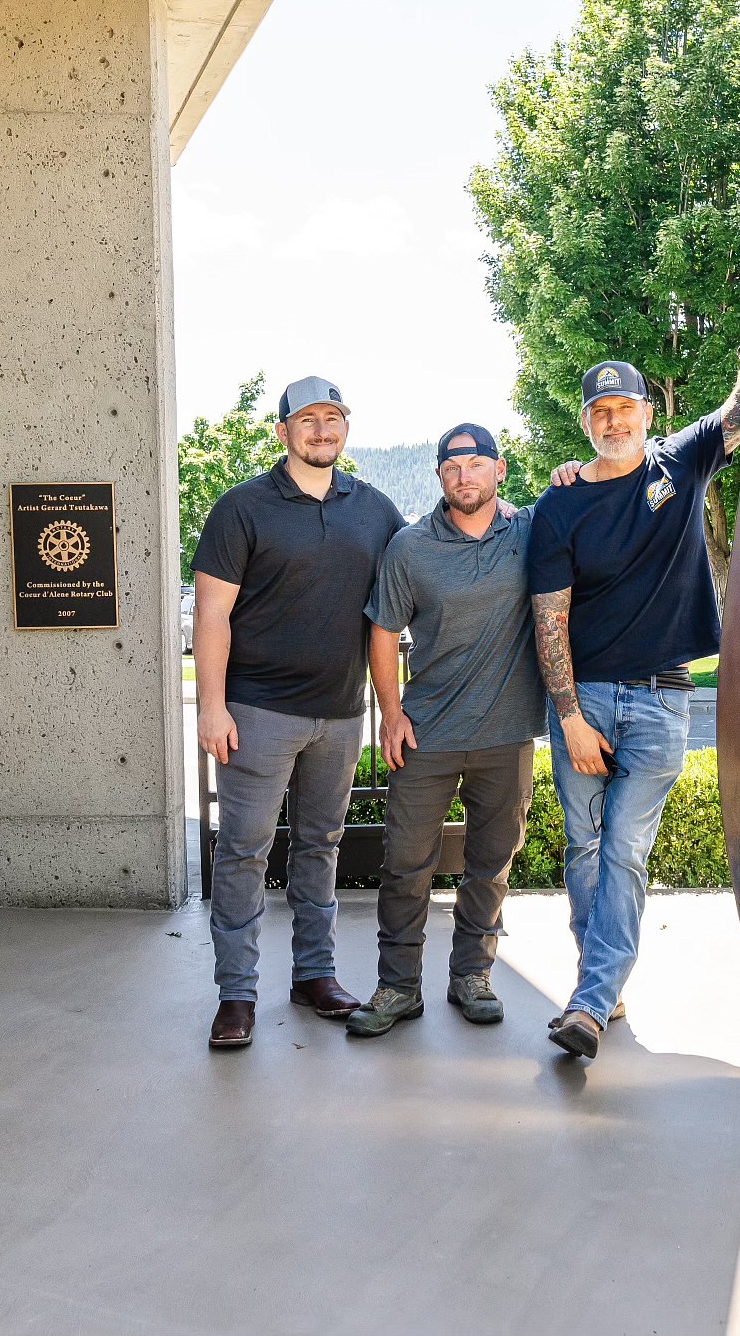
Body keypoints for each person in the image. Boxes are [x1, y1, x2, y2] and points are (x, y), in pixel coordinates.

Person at [528, 341, 740, 1059]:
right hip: (583, 703)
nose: (614, 421)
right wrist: (573, 717)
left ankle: (588, 996)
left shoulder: (680, 463)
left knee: (625, 848)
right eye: (600, 411)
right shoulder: (559, 507)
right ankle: (602, 988)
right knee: (585, 846)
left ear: (648, 412)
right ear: (586, 422)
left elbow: (739, 413)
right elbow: (549, 618)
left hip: (661, 703)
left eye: (625, 408)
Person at [193, 377, 403, 1049]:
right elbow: (212, 615)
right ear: (281, 431)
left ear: (347, 429)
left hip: (341, 715)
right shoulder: (241, 508)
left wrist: (510, 511)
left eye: (333, 418)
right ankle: (237, 993)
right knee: (244, 852)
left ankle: (314, 973)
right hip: (255, 713)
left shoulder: (374, 510)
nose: (321, 430)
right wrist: (211, 706)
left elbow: (434, 556)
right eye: (307, 419)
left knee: (320, 848)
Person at [346, 424, 546, 1038]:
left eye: (477, 463)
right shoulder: (409, 548)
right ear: (439, 475)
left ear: (499, 471)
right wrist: (392, 711)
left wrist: (567, 472)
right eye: (453, 465)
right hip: (425, 735)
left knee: (491, 863)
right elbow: (383, 630)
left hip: (507, 737)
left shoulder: (531, 531)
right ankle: (398, 987)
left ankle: (471, 977)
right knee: (406, 865)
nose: (465, 476)